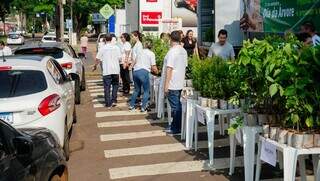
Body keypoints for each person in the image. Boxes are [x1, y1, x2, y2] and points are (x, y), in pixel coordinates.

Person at [163, 30, 188, 135]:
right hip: (180, 81)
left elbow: (169, 69)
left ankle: (176, 128)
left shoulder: (172, 51)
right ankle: (176, 125)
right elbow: (185, 67)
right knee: (177, 105)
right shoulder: (183, 51)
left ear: (170, 39)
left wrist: (166, 85)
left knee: (176, 107)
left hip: (172, 83)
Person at [129, 39, 159, 112]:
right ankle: (143, 107)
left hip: (135, 71)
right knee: (146, 91)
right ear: (151, 46)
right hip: (144, 72)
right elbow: (153, 66)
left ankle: (131, 106)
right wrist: (158, 72)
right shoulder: (151, 53)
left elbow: (134, 61)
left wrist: (130, 68)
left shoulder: (140, 52)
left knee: (136, 90)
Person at [93, 34, 122, 109]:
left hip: (106, 71)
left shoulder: (103, 48)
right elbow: (120, 59)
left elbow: (98, 59)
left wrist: (95, 66)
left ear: (105, 39)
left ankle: (108, 104)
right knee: (115, 86)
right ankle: (114, 101)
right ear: (112, 39)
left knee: (107, 87)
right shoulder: (116, 48)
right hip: (115, 70)